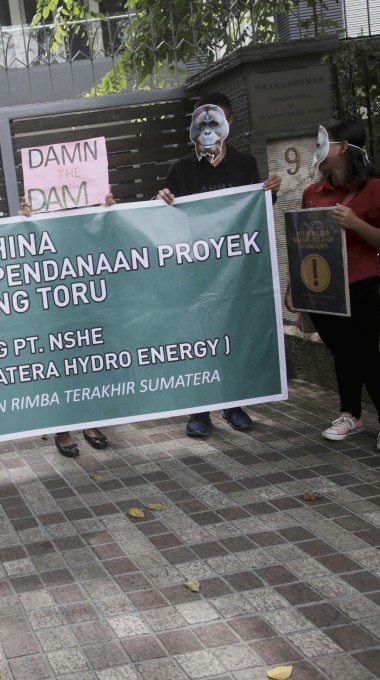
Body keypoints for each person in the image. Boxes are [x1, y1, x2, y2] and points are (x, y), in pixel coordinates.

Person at [157, 92, 280, 437]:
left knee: (233, 335)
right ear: (193, 126)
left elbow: (254, 215)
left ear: (229, 124)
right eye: (202, 122)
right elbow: (165, 219)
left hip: (234, 272)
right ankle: (199, 412)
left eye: (215, 120)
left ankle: (233, 403)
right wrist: (160, 200)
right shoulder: (180, 169)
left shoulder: (245, 164)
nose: (208, 128)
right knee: (199, 338)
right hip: (195, 274)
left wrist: (268, 194)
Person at [290, 118, 380, 443]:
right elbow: (301, 243)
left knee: (366, 353)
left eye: (323, 143)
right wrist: (294, 289)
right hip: (323, 289)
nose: (318, 151)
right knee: (343, 352)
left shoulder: (374, 189)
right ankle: (351, 415)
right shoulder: (312, 193)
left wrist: (355, 223)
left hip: (362, 284)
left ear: (343, 148)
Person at [20, 195, 113, 458]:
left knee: (89, 363)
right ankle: (63, 430)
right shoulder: (39, 206)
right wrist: (25, 219)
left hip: (86, 294)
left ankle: (90, 424)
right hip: (51, 298)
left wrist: (108, 210)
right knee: (60, 368)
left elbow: (106, 237)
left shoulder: (90, 206)